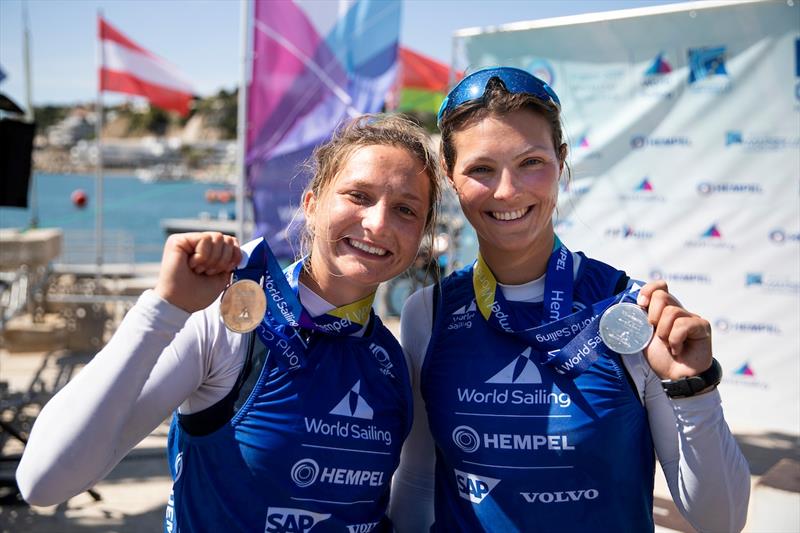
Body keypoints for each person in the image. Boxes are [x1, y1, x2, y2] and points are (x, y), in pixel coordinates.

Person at [17, 114, 442, 532]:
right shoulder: (229, 322)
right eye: (358, 195)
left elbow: (412, 494)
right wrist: (163, 308)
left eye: (405, 209)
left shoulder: (394, 360)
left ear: (421, 232)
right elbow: (44, 482)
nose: (379, 222)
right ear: (311, 206)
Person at [389, 67, 750, 532]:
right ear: (451, 176)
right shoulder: (429, 313)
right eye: (481, 169)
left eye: (531, 162)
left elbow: (722, 520)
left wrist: (692, 388)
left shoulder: (629, 311)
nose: (507, 190)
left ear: (561, 161)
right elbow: (419, 482)